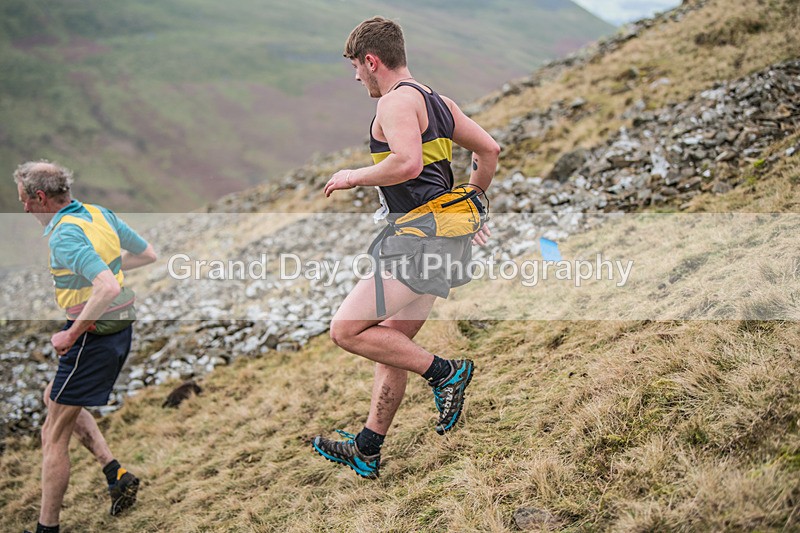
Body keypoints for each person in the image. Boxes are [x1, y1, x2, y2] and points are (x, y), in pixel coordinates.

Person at [313, 17, 500, 479]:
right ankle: (367, 447)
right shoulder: (439, 101)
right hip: (441, 240)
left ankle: (445, 373)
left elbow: (407, 162)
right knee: (391, 341)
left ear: (372, 61)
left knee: (347, 330)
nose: (357, 77)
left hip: (415, 243)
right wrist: (467, 208)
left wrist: (351, 176)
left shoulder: (395, 103)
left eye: (357, 67)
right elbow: (490, 150)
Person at [14, 161, 157, 533]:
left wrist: (70, 334)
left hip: (92, 337)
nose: (24, 209)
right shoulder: (98, 213)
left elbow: (107, 287)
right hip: (117, 328)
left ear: (40, 197)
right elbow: (147, 255)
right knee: (54, 397)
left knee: (52, 435)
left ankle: (48, 527)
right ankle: (116, 472)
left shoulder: (64, 234)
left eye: (25, 201)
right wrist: (105, 270)